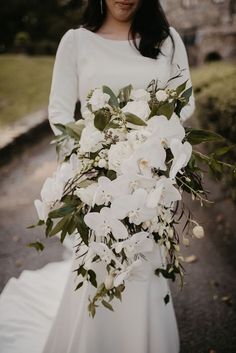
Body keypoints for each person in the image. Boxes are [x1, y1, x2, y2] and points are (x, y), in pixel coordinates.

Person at [0, 1, 195, 353]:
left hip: (148, 184)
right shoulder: (75, 41)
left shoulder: (166, 40)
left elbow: (186, 103)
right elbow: (60, 112)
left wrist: (153, 148)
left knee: (144, 271)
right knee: (96, 272)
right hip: (95, 183)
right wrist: (86, 163)